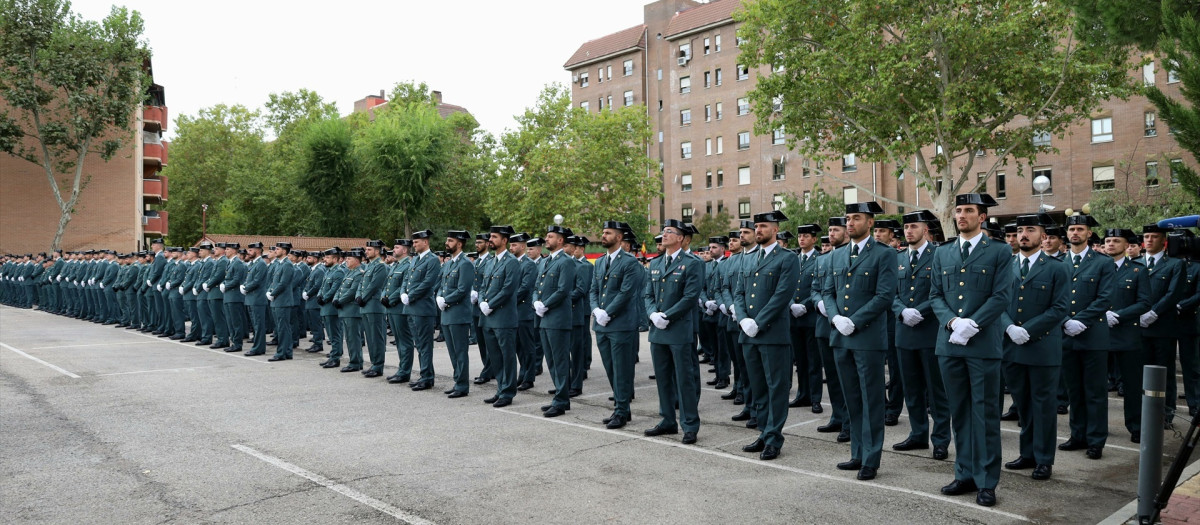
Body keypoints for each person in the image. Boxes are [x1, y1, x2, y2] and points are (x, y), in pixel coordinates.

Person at [930, 193, 1012, 508]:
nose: (961, 215)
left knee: (985, 414)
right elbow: (936, 294)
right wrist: (952, 323)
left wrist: (971, 325)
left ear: (982, 217)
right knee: (960, 412)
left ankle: (987, 481)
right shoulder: (944, 252)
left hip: (982, 346)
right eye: (959, 210)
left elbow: (1001, 295)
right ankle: (964, 473)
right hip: (949, 345)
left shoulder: (1000, 251)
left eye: (968, 211)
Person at [821, 201, 898, 480]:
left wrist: (855, 320)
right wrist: (835, 318)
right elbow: (828, 292)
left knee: (872, 400)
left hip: (867, 338)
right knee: (851, 398)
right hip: (840, 337)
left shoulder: (884, 254)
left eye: (856, 218)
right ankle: (857, 453)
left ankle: (871, 458)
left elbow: (885, 296)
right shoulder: (837, 255)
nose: (850, 223)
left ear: (870, 223)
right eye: (848, 218)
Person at [1001, 214, 1070, 482]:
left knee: (1043, 406)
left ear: (1043, 236)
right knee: (1023, 404)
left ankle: (1044, 459)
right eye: (1020, 230)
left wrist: (1028, 331)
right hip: (1012, 347)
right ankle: (1026, 453)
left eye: (1030, 229)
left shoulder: (1057, 267)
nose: (1023, 235)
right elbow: (999, 302)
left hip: (1042, 348)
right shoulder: (1007, 266)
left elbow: (1060, 308)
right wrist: (1009, 327)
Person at [734, 210, 802, 461]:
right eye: (756, 226)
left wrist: (758, 323)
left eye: (763, 226)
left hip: (772, 334)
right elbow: (738, 294)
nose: (758, 230)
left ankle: (774, 438)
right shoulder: (748, 259)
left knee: (776, 388)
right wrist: (743, 320)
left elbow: (782, 296)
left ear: (775, 230)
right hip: (749, 335)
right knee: (758, 387)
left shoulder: (787, 258)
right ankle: (764, 431)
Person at [892, 210, 951, 461]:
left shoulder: (938, 255)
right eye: (906, 228)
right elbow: (890, 293)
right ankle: (917, 434)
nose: (909, 231)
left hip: (929, 332)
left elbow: (943, 292)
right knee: (912, 388)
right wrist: (902, 311)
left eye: (914, 227)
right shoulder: (897, 258)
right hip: (905, 331)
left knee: (936, 391)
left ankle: (940, 440)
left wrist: (921, 311)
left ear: (925, 230)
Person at [1059, 214, 1115, 460]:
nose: (1075, 233)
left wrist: (1081, 320)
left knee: (1094, 391)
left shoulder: (1103, 262)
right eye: (1072, 229)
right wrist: (1064, 322)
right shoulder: (1059, 262)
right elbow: (1054, 298)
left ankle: (1096, 440)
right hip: (1065, 335)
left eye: (1080, 229)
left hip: (1093, 335)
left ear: (1089, 233)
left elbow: (1105, 298)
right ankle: (1077, 435)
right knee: (1074, 390)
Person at [643, 219, 705, 445]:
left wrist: (666, 316)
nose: (664, 234)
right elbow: (647, 294)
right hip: (658, 331)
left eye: (669, 232)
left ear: (680, 238)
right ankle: (667, 420)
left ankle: (689, 425)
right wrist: (652, 315)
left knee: (684, 379)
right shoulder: (656, 263)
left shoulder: (692, 263)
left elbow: (690, 297)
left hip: (679, 330)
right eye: (664, 231)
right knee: (663, 378)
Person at [591, 221, 642, 428]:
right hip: (602, 325)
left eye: (608, 233)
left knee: (621, 369)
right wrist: (596, 310)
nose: (603, 236)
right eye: (603, 232)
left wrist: (608, 312)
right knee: (611, 369)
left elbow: (626, 293)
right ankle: (621, 409)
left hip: (620, 324)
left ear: (619, 237)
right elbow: (593, 290)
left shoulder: (630, 262)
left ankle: (622, 411)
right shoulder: (601, 261)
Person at [1140, 224, 1188, 429]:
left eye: (1154, 237)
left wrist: (1154, 312)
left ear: (1163, 241)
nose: (1149, 240)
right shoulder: (1136, 262)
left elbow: (1174, 293)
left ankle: (1166, 412)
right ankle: (1145, 412)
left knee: (1163, 371)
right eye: (1147, 236)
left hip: (1163, 327)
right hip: (1139, 326)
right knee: (1142, 371)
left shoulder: (1175, 264)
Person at [812, 217, 852, 443]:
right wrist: (819, 303)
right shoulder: (823, 259)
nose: (832, 233)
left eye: (836, 229)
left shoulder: (850, 255)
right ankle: (837, 415)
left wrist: (834, 309)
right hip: (824, 326)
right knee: (833, 377)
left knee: (846, 377)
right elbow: (816, 288)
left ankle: (848, 421)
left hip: (844, 324)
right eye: (830, 229)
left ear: (846, 232)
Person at [533, 225, 577, 417]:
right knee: (551, 360)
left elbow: (563, 290)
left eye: (550, 236)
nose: (546, 239)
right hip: (544, 317)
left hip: (558, 318)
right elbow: (536, 287)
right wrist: (536, 302)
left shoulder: (566, 262)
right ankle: (560, 397)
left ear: (560, 240)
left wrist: (545, 305)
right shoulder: (544, 262)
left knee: (560, 361)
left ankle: (561, 400)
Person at [480, 225, 520, 408]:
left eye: (495, 237)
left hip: (503, 317)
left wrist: (490, 304)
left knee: (507, 355)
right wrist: (482, 302)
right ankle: (500, 388)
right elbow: (483, 287)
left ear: (504, 240)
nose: (491, 240)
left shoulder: (511, 262)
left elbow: (508, 288)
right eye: (491, 237)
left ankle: (508, 392)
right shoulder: (490, 262)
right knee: (495, 356)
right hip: (488, 317)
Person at [401, 231, 441, 389]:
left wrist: (410, 295)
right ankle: (426, 375)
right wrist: (403, 292)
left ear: (425, 242)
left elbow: (428, 283)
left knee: (425, 345)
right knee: (419, 344)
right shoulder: (415, 259)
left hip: (423, 308)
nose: (414, 245)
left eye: (417, 242)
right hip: (411, 308)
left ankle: (427, 377)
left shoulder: (432, 260)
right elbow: (406, 279)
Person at [438, 230, 475, 398]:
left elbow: (463, 289)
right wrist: (439, 296)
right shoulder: (448, 264)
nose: (447, 243)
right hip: (447, 313)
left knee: (460, 351)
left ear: (459, 244)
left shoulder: (465, 263)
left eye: (450, 241)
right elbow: (442, 284)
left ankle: (462, 385)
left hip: (458, 313)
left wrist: (446, 300)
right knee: (452, 351)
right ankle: (457, 381)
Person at [789, 224, 823, 412]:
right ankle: (802, 394)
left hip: (811, 317)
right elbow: (786, 285)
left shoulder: (820, 259)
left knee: (813, 360)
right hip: (794, 316)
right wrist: (791, 304)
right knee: (800, 360)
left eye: (806, 236)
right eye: (800, 236)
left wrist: (806, 305)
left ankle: (815, 398)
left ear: (814, 239)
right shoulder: (794, 259)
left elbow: (820, 287)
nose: (802, 239)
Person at [356, 240, 390, 378]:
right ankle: (373, 363)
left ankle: (378, 366)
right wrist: (358, 296)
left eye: (369, 249)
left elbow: (374, 285)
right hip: (365, 306)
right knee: (369, 337)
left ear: (377, 251)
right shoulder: (368, 266)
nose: (366, 252)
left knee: (376, 337)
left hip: (374, 305)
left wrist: (363, 297)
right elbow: (361, 283)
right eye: (366, 249)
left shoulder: (381, 266)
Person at [384, 239, 414, 384]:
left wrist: (390, 298)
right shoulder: (395, 265)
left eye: (396, 247)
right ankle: (401, 369)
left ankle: (405, 371)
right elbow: (387, 284)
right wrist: (384, 296)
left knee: (404, 340)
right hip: (391, 307)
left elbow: (404, 286)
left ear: (405, 250)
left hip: (399, 307)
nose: (393, 250)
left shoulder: (408, 265)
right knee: (399, 340)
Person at [333, 249, 367, 371]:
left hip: (352, 310)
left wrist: (340, 300)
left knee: (354, 337)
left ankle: (356, 362)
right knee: (349, 337)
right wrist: (336, 298)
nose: (346, 260)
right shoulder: (349, 272)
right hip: (345, 309)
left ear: (357, 260)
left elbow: (352, 291)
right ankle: (354, 361)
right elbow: (341, 288)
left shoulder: (359, 273)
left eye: (349, 259)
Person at [267, 242, 300, 362]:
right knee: (281, 328)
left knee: (283, 328)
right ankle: (286, 352)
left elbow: (283, 283)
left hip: (283, 301)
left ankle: (281, 353)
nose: (275, 251)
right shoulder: (279, 264)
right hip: (277, 300)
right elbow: (274, 282)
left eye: (278, 249)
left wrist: (272, 293)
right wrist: (270, 291)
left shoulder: (287, 265)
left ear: (285, 251)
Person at [317, 248, 347, 368]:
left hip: (331, 307)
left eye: (328, 257)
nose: (325, 259)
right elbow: (323, 286)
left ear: (335, 259)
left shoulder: (338, 271)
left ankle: (335, 358)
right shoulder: (328, 271)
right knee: (330, 334)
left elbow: (335, 289)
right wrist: (319, 295)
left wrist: (324, 298)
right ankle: (334, 354)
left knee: (335, 334)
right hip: (325, 306)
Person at [241, 242, 270, 356]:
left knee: (258, 325)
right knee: (255, 325)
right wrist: (244, 286)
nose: (248, 252)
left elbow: (257, 281)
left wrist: (246, 288)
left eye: (251, 250)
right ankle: (257, 346)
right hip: (251, 298)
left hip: (257, 298)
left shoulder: (261, 264)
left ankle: (259, 347)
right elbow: (249, 279)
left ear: (257, 250)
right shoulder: (253, 264)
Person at [221, 243, 247, 352]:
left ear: (233, 251)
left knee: (236, 322)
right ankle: (233, 342)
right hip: (228, 296)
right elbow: (227, 277)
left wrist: (225, 285)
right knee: (230, 321)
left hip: (234, 296)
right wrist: (224, 283)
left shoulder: (237, 263)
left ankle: (237, 343)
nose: (225, 251)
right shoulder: (231, 263)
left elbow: (236, 280)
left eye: (227, 249)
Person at [302, 250, 326, 353]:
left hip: (315, 301)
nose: (307, 260)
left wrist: (308, 293)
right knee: (313, 324)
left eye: (309, 258)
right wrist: (305, 291)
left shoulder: (319, 270)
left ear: (315, 259)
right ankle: (316, 342)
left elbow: (317, 285)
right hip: (310, 301)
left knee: (316, 324)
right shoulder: (313, 270)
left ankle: (318, 344)